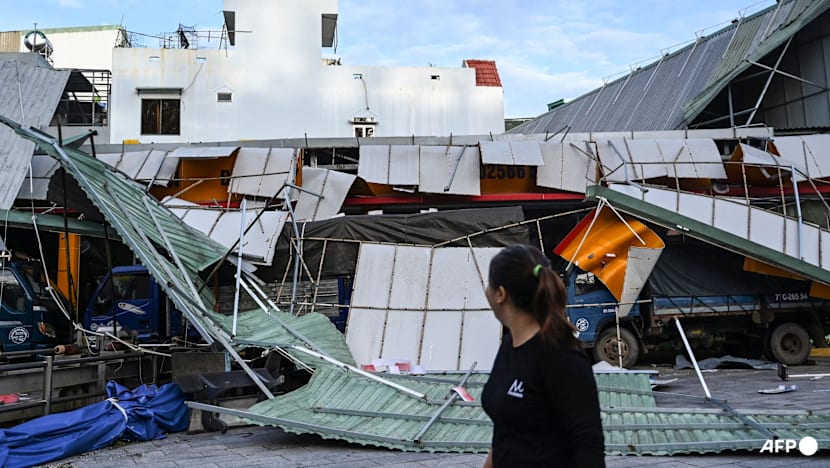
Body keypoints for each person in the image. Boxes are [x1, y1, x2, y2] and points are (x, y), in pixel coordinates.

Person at [481, 244, 605, 467]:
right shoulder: (509, 345)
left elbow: (589, 446)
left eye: (489, 284)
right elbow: (504, 430)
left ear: (500, 294)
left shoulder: (561, 357)